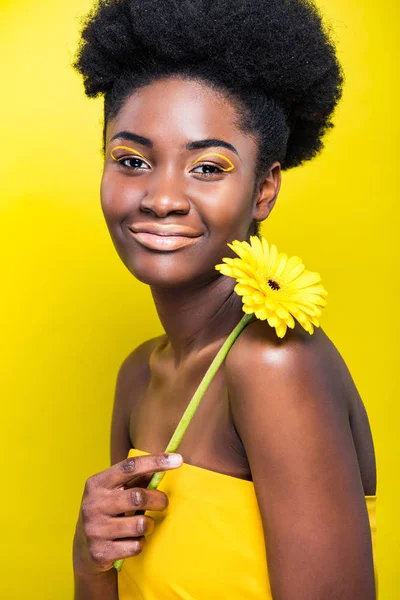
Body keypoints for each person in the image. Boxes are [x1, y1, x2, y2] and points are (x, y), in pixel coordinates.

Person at [71, 0, 377, 598]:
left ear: (264, 190)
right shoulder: (139, 373)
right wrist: (89, 558)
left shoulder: (275, 364)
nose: (162, 197)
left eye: (207, 167)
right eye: (132, 160)